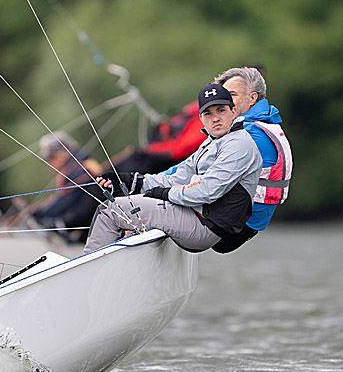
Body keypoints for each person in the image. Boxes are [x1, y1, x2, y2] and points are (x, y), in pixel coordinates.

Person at [83, 83, 261, 255]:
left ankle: (88, 269)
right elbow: (176, 178)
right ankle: (109, 266)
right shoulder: (211, 142)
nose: (215, 118)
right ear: (201, 119)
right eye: (208, 113)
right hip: (195, 215)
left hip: (205, 226)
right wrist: (132, 180)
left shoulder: (239, 144)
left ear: (233, 112)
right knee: (124, 209)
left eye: (221, 110)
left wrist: (166, 194)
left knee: (111, 210)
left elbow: (207, 191)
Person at [211, 66, 292, 253]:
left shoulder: (249, 133)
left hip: (233, 227)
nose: (224, 102)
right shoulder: (268, 123)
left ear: (252, 98)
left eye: (232, 95)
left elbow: (206, 175)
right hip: (251, 222)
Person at [12, 132, 104, 243]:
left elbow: (63, 203)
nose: (48, 163)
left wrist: (35, 213)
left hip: (93, 230)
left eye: (51, 157)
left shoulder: (75, 172)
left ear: (64, 152)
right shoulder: (86, 164)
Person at [102, 100, 205, 176]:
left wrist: (150, 149)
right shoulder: (196, 109)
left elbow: (178, 151)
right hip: (161, 150)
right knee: (132, 154)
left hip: (168, 162)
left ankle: (103, 180)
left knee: (134, 161)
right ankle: (100, 174)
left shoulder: (204, 124)